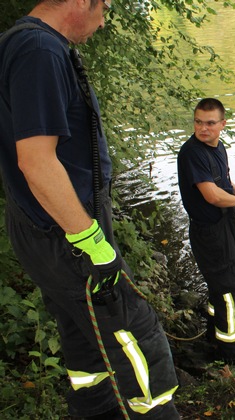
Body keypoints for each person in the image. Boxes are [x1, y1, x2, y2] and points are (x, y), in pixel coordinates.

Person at [0, 1, 180, 419]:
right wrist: (91, 241)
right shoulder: (38, 51)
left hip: (43, 228)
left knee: (87, 343)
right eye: (105, 7)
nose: (105, 20)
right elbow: (37, 162)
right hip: (65, 234)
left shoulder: (20, 42)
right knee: (138, 337)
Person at [177, 97, 235, 366]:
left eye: (210, 123)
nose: (203, 128)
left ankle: (216, 334)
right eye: (198, 122)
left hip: (224, 224)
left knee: (224, 284)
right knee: (231, 290)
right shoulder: (192, 153)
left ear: (222, 124)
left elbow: (223, 182)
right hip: (208, 231)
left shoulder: (217, 147)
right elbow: (212, 194)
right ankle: (231, 356)